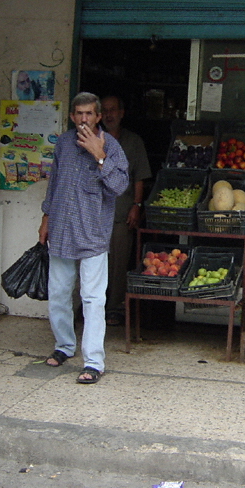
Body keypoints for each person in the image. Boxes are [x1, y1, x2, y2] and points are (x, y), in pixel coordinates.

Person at [39, 92, 129, 384]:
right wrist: (45, 219)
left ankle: (93, 361)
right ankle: (64, 346)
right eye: (79, 114)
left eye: (89, 114)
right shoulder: (63, 144)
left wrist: (99, 155)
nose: (83, 119)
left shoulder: (111, 146)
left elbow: (119, 186)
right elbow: (53, 185)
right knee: (59, 294)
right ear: (72, 116)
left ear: (99, 116)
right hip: (62, 230)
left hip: (93, 234)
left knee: (92, 299)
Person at [101, 95, 152, 326]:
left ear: (122, 113)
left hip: (122, 213)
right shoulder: (92, 140)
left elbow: (139, 177)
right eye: (104, 111)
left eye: (113, 110)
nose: (109, 115)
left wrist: (136, 205)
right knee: (93, 264)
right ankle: (92, 306)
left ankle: (114, 308)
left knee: (119, 263)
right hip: (94, 214)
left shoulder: (133, 142)